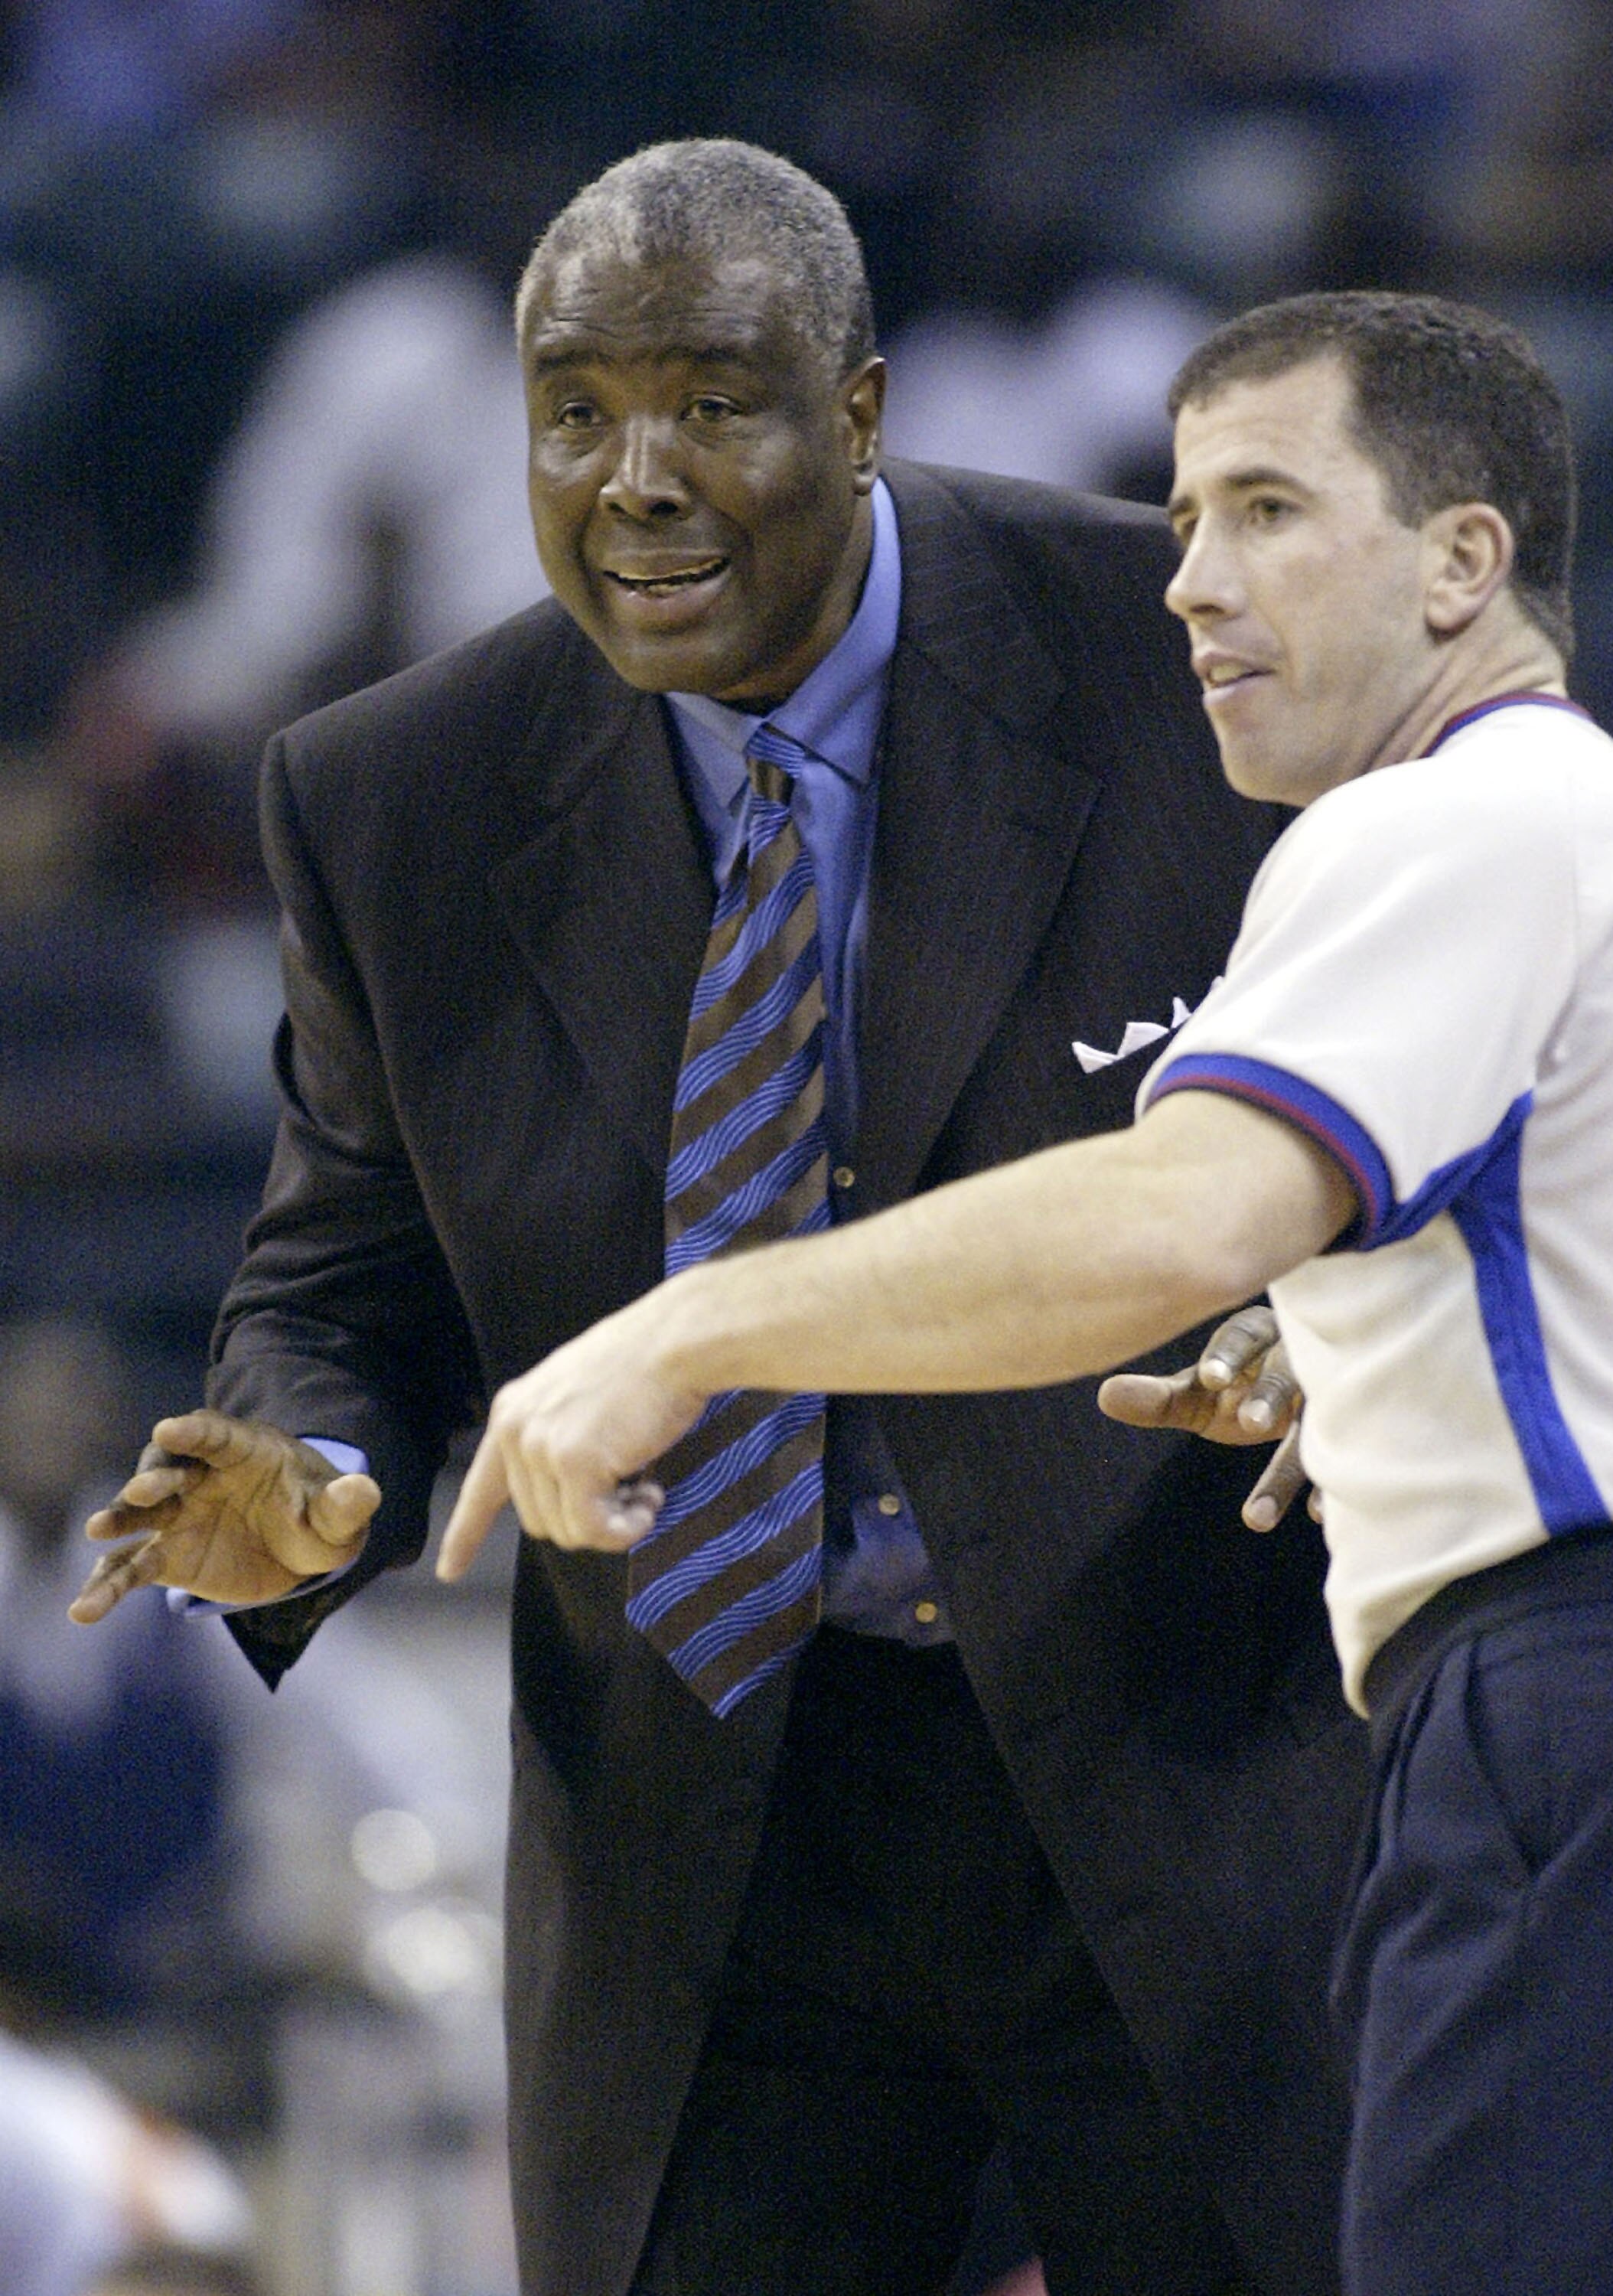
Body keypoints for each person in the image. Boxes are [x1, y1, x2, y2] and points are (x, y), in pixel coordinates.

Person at [384, 290, 1613, 2294]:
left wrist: (689, 1325)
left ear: (1463, 560)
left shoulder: (1453, 824)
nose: (1190, 582)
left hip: (1580, 1718)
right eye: (1180, 520)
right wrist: (1348, 1351)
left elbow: (1171, 1215)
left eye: (1267, 510)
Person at [70, 143, 1368, 2296]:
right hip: (713, 1826)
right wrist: (308, 1480)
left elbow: (1437, 1096)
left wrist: (1340, 1310)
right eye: (575, 412)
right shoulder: (398, 793)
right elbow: (343, 1273)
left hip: (1176, 1755)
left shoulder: (1174, 664)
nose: (635, 478)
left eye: (714, 403)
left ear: (856, 411)